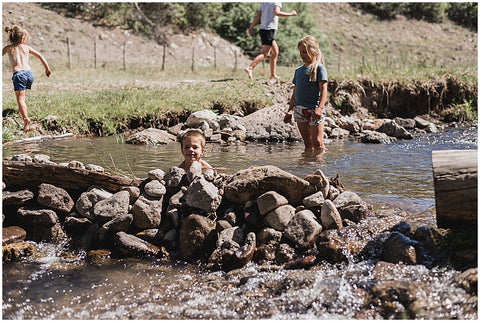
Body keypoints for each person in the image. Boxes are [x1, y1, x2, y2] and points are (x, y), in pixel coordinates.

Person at [3, 25, 52, 132]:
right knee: (22, 96)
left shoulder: (8, 48)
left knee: (20, 99)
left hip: (19, 75)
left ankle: (26, 120)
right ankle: (22, 111)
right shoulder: (26, 48)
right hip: (29, 73)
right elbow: (40, 55)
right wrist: (47, 69)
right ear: (23, 39)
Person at [283, 35, 328, 152]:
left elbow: (324, 89)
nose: (302, 55)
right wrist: (290, 110)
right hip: (299, 110)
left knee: (317, 142)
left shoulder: (319, 68)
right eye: (300, 52)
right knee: (307, 144)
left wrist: (320, 108)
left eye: (305, 52)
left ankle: (319, 166)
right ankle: (307, 168)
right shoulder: (298, 70)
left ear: (313, 51)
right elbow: (295, 92)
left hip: (315, 110)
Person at [244, 2, 297, 80]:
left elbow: (258, 16)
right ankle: (250, 68)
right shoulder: (276, 2)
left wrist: (251, 27)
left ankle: (273, 75)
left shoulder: (264, 2)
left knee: (275, 52)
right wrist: (291, 14)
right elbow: (277, 13)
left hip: (263, 30)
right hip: (268, 30)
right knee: (265, 53)